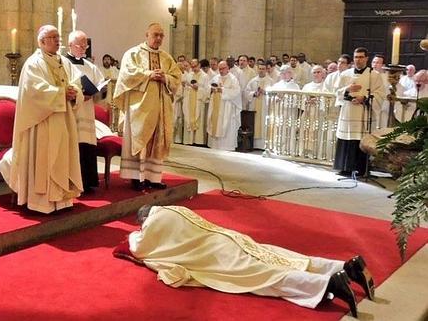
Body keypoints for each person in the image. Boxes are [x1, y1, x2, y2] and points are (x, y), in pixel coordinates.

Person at [114, 205, 376, 318]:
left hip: (219, 255)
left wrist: (135, 233)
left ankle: (327, 284)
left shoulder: (152, 226)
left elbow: (134, 248)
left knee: (265, 276)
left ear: (143, 220)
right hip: (233, 239)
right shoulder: (176, 209)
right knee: (284, 257)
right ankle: (344, 267)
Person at [2, 25, 83, 213]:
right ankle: (42, 202)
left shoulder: (64, 61)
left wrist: (74, 92)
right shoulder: (33, 63)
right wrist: (61, 93)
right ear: (42, 41)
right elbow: (34, 93)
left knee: (63, 157)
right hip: (43, 122)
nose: (57, 40)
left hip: (63, 119)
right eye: (52, 37)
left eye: (58, 37)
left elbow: (77, 83)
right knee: (46, 159)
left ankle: (62, 200)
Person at [113, 23, 181, 190]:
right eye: (155, 35)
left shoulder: (166, 57)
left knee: (157, 140)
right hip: (140, 109)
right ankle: (137, 177)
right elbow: (126, 75)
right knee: (140, 140)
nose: (158, 38)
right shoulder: (133, 53)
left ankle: (153, 177)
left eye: (161, 36)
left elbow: (177, 77)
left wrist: (165, 78)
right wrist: (148, 74)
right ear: (147, 35)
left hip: (161, 107)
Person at [333, 47, 385, 176]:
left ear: (367, 58)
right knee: (347, 138)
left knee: (361, 139)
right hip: (349, 111)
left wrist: (364, 98)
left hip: (364, 112)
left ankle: (362, 169)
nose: (358, 60)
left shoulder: (374, 75)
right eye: (356, 57)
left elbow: (380, 94)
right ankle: (345, 168)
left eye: (361, 57)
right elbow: (337, 92)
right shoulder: (345, 74)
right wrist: (348, 89)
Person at [65, 30, 105, 193]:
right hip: (72, 112)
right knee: (73, 146)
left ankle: (88, 182)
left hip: (87, 112)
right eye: (79, 45)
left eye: (85, 45)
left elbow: (101, 85)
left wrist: (100, 90)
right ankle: (73, 182)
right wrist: (79, 95)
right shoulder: (62, 64)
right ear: (69, 45)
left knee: (86, 146)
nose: (83, 49)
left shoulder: (90, 66)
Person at [206, 60, 242, 151]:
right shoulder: (215, 78)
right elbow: (208, 88)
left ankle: (227, 147)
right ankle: (215, 146)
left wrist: (222, 90)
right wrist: (211, 89)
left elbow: (236, 92)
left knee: (226, 125)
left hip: (227, 107)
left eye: (223, 68)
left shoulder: (233, 79)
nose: (221, 71)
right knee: (215, 123)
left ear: (228, 68)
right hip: (215, 105)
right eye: (220, 69)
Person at [245, 62, 274, 149]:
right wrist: (254, 93)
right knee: (255, 123)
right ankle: (255, 145)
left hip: (265, 107)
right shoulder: (253, 81)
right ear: (257, 69)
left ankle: (264, 145)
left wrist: (265, 92)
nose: (261, 71)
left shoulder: (271, 81)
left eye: (263, 69)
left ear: (266, 70)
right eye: (260, 69)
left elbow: (274, 94)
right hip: (255, 106)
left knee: (264, 124)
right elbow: (246, 92)